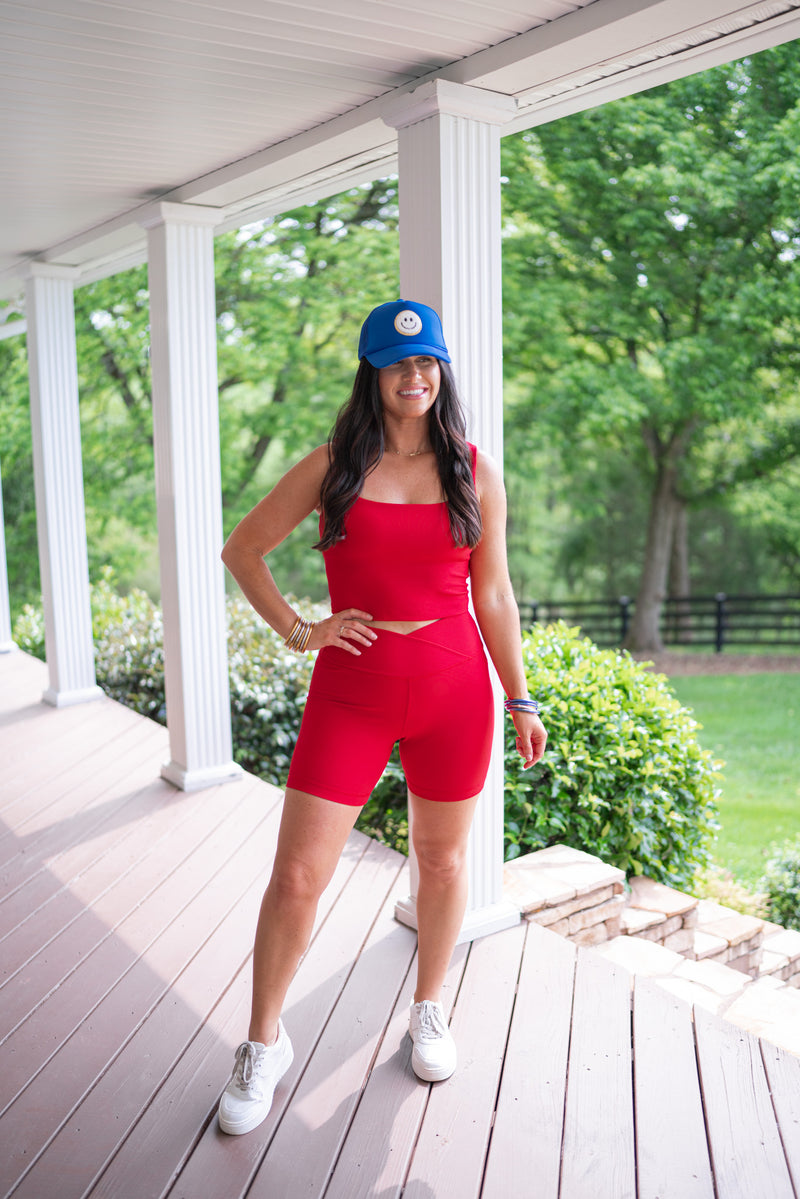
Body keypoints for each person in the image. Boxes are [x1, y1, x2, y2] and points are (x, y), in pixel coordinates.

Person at [217, 298, 547, 1136]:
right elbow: (242, 550)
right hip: (351, 690)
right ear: (373, 373)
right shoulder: (334, 464)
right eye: (400, 364)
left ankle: (429, 1008)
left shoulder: (474, 468)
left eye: (429, 362)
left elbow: (494, 592)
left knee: (441, 864)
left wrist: (519, 693)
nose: (417, 376)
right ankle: (262, 1042)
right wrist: (302, 630)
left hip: (453, 689)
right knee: (298, 876)